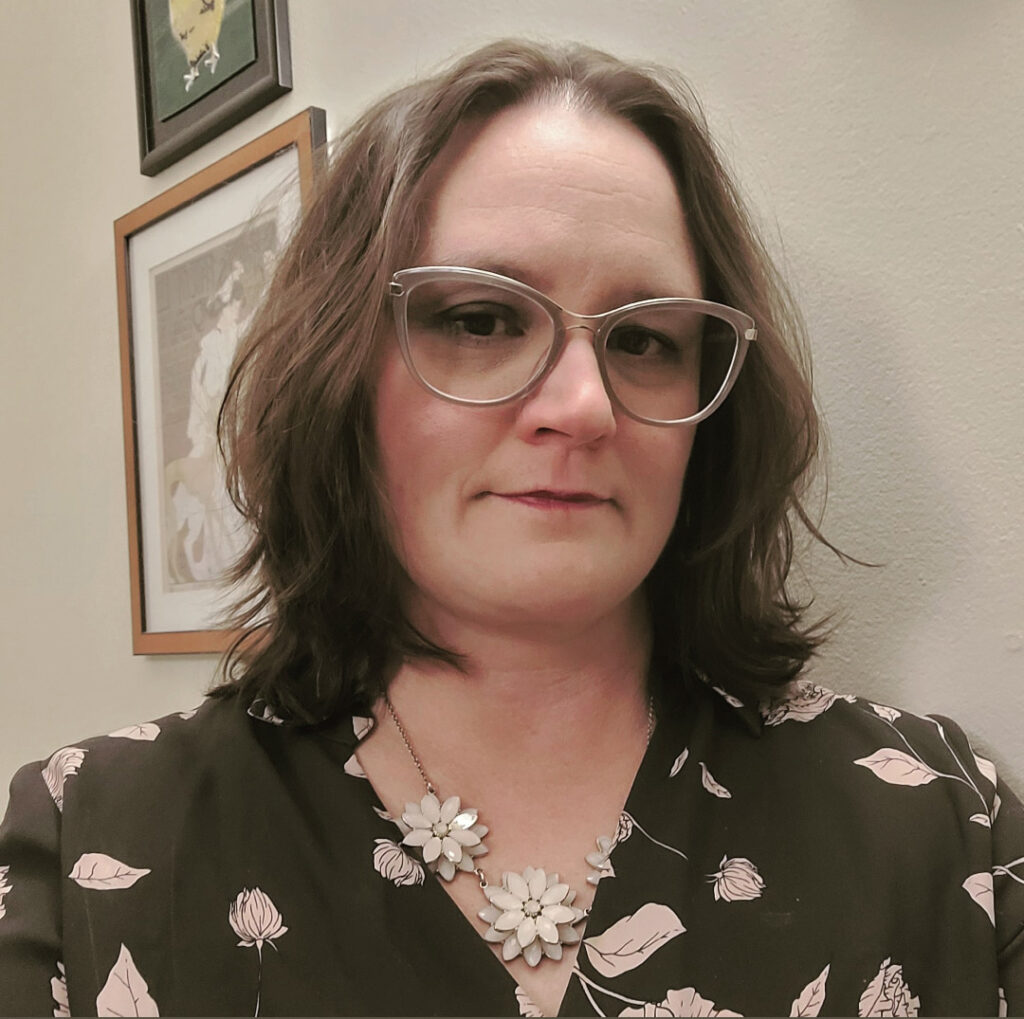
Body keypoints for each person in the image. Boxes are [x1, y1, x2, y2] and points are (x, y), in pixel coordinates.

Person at [1, 39, 1021, 1018]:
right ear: (338, 373)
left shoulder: (938, 820)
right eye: (481, 321)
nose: (583, 406)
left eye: (645, 339)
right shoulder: (95, 842)